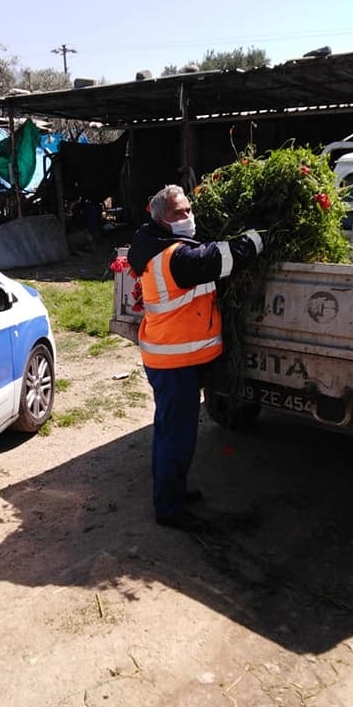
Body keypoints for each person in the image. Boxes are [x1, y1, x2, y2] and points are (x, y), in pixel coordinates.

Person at [127, 184, 264, 532]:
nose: (188, 218)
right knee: (176, 436)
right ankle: (169, 509)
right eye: (179, 214)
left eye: (189, 210)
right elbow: (228, 256)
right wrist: (260, 235)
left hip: (169, 357)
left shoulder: (156, 246)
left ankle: (171, 491)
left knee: (169, 432)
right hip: (174, 363)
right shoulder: (176, 257)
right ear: (161, 219)